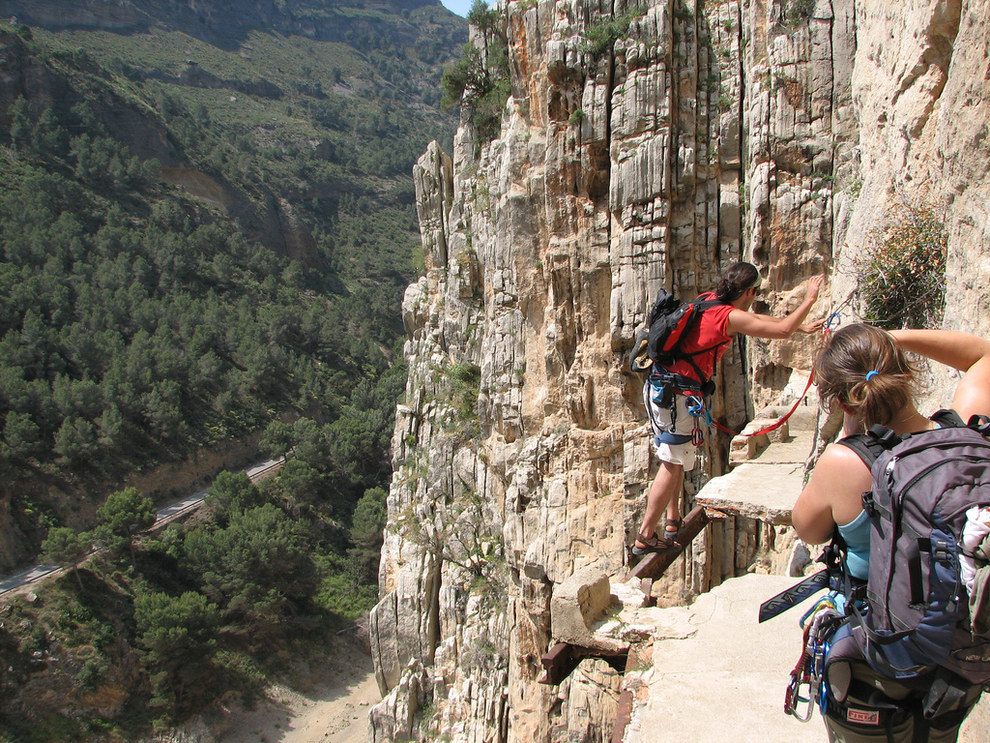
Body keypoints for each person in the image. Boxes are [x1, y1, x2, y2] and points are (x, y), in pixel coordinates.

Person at [792, 324, 990, 741]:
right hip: (957, 659)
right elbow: (981, 356)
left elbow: (807, 529)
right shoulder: (967, 434)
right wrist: (889, 337)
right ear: (904, 372)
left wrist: (849, 439)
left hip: (878, 661)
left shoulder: (844, 463)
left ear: (843, 400)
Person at [633, 262, 825, 556]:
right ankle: (645, 535)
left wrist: (799, 325)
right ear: (749, 291)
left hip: (660, 388)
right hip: (677, 397)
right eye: (755, 293)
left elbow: (761, 321)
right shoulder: (729, 317)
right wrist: (810, 299)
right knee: (672, 463)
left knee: (673, 456)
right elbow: (780, 330)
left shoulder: (709, 300)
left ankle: (672, 521)